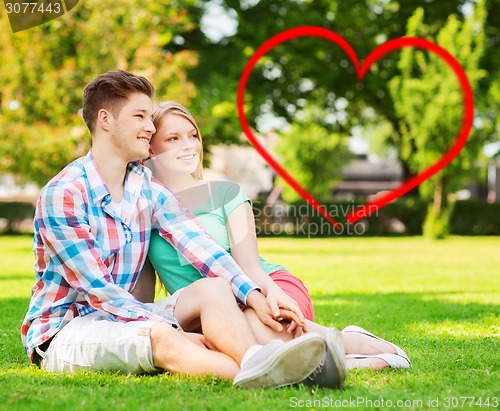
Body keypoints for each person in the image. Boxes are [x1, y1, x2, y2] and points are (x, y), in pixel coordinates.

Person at [20, 70, 334, 389]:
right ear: (105, 120)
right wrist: (170, 327)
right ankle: (282, 373)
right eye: (139, 116)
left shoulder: (146, 187)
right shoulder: (64, 195)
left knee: (213, 287)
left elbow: (200, 247)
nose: (150, 127)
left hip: (127, 316)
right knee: (162, 337)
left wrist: (253, 296)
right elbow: (99, 291)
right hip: (68, 329)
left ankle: (259, 358)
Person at [143, 101, 411, 374]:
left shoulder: (227, 194)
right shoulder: (143, 210)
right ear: (150, 148)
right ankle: (326, 359)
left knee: (259, 333)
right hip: (209, 312)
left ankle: (359, 345)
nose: (188, 145)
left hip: (267, 287)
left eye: (192, 136)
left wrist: (274, 298)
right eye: (173, 138)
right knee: (231, 337)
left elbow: (250, 267)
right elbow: (142, 291)